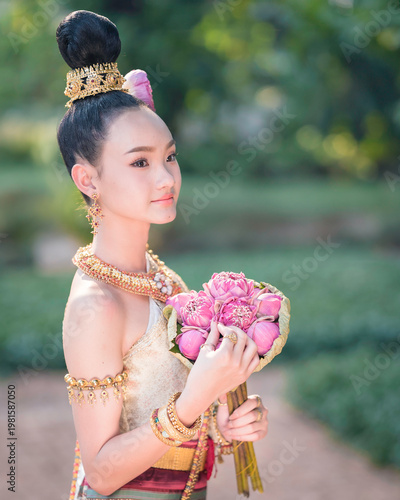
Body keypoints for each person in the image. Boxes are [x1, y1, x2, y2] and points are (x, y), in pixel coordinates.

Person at [57, 10, 269, 500]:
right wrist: (196, 400)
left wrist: (225, 421)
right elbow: (104, 472)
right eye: (140, 162)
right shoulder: (95, 306)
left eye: (169, 156)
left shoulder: (161, 279)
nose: (167, 178)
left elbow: (172, 419)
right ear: (88, 179)